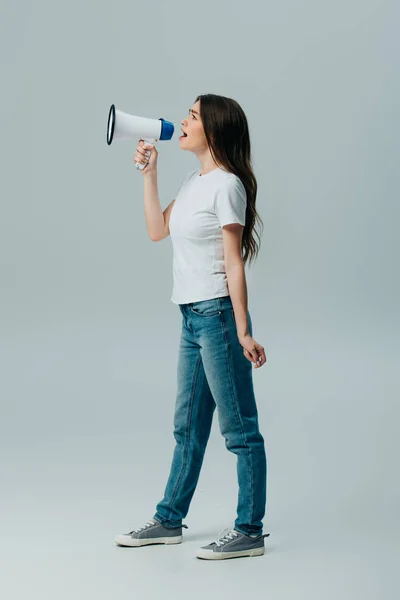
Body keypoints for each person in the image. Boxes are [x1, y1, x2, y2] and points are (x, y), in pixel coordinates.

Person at [114, 94, 269, 560]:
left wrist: (243, 330)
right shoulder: (193, 180)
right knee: (187, 427)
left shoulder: (227, 186)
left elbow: (234, 263)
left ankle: (249, 530)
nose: (182, 121)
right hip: (189, 317)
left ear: (215, 131)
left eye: (193, 116)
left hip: (218, 318)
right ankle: (168, 520)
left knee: (240, 431)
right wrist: (149, 175)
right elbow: (157, 232)